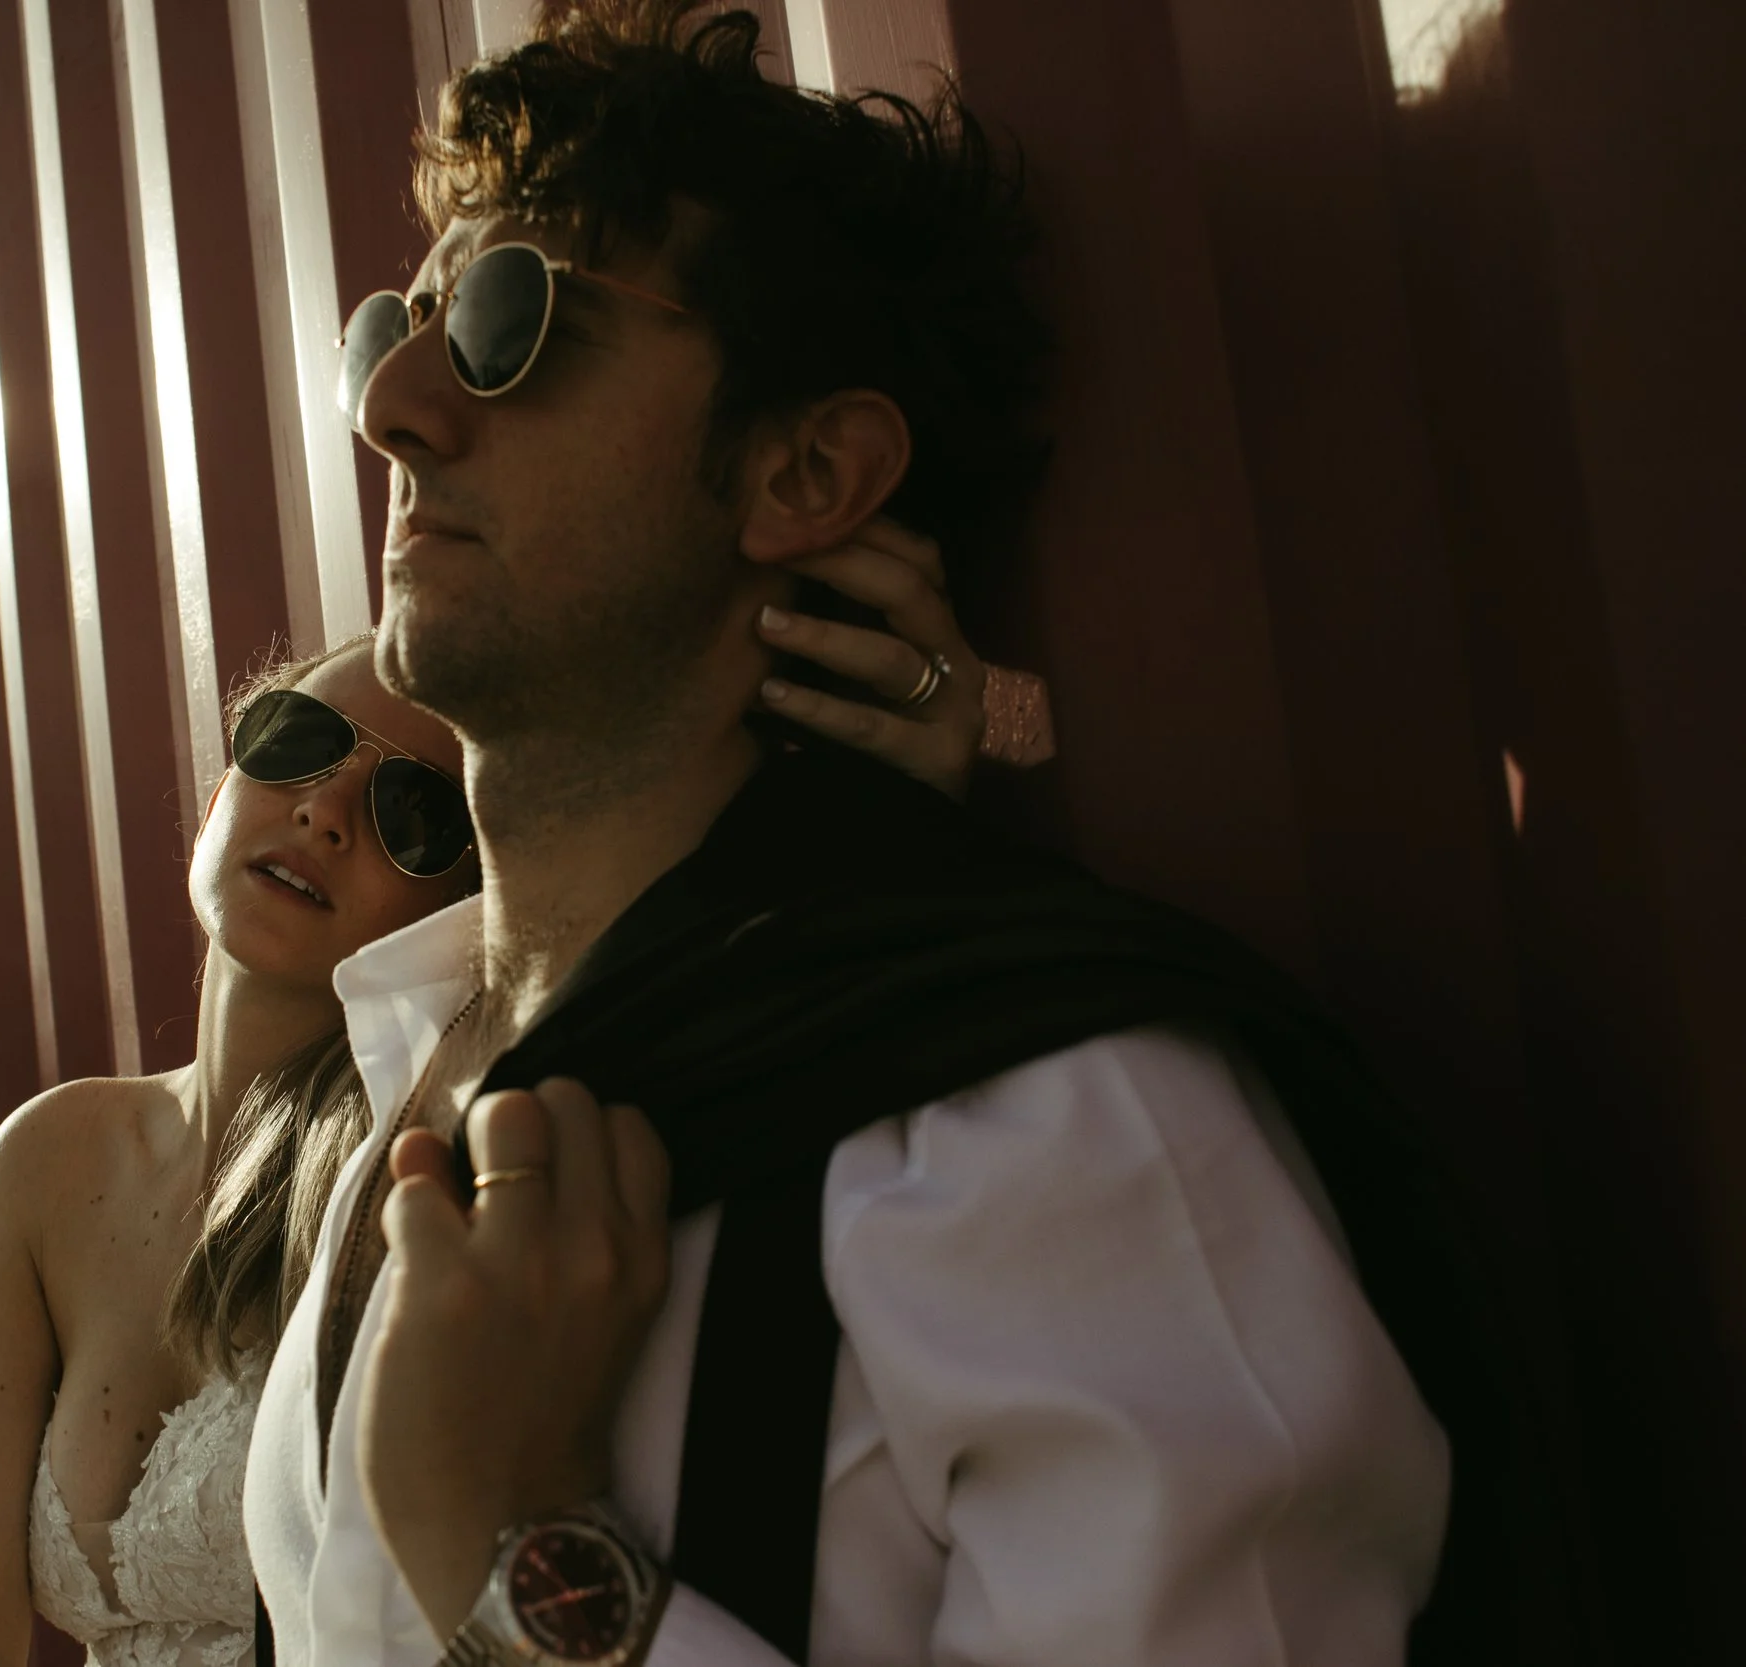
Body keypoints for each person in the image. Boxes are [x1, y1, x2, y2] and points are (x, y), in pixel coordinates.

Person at [242, 3, 1473, 1665]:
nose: (391, 400)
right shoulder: (393, 1067)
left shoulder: (1052, 1134)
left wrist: (523, 1552)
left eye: (510, 319)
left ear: (806, 469)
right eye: (400, 319)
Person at [0, 510, 993, 1663]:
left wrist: (894, 813)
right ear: (218, 792)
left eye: (413, 809)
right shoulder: (52, 1153)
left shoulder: (422, 1162)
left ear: (462, 904)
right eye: (293, 740)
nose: (323, 811)